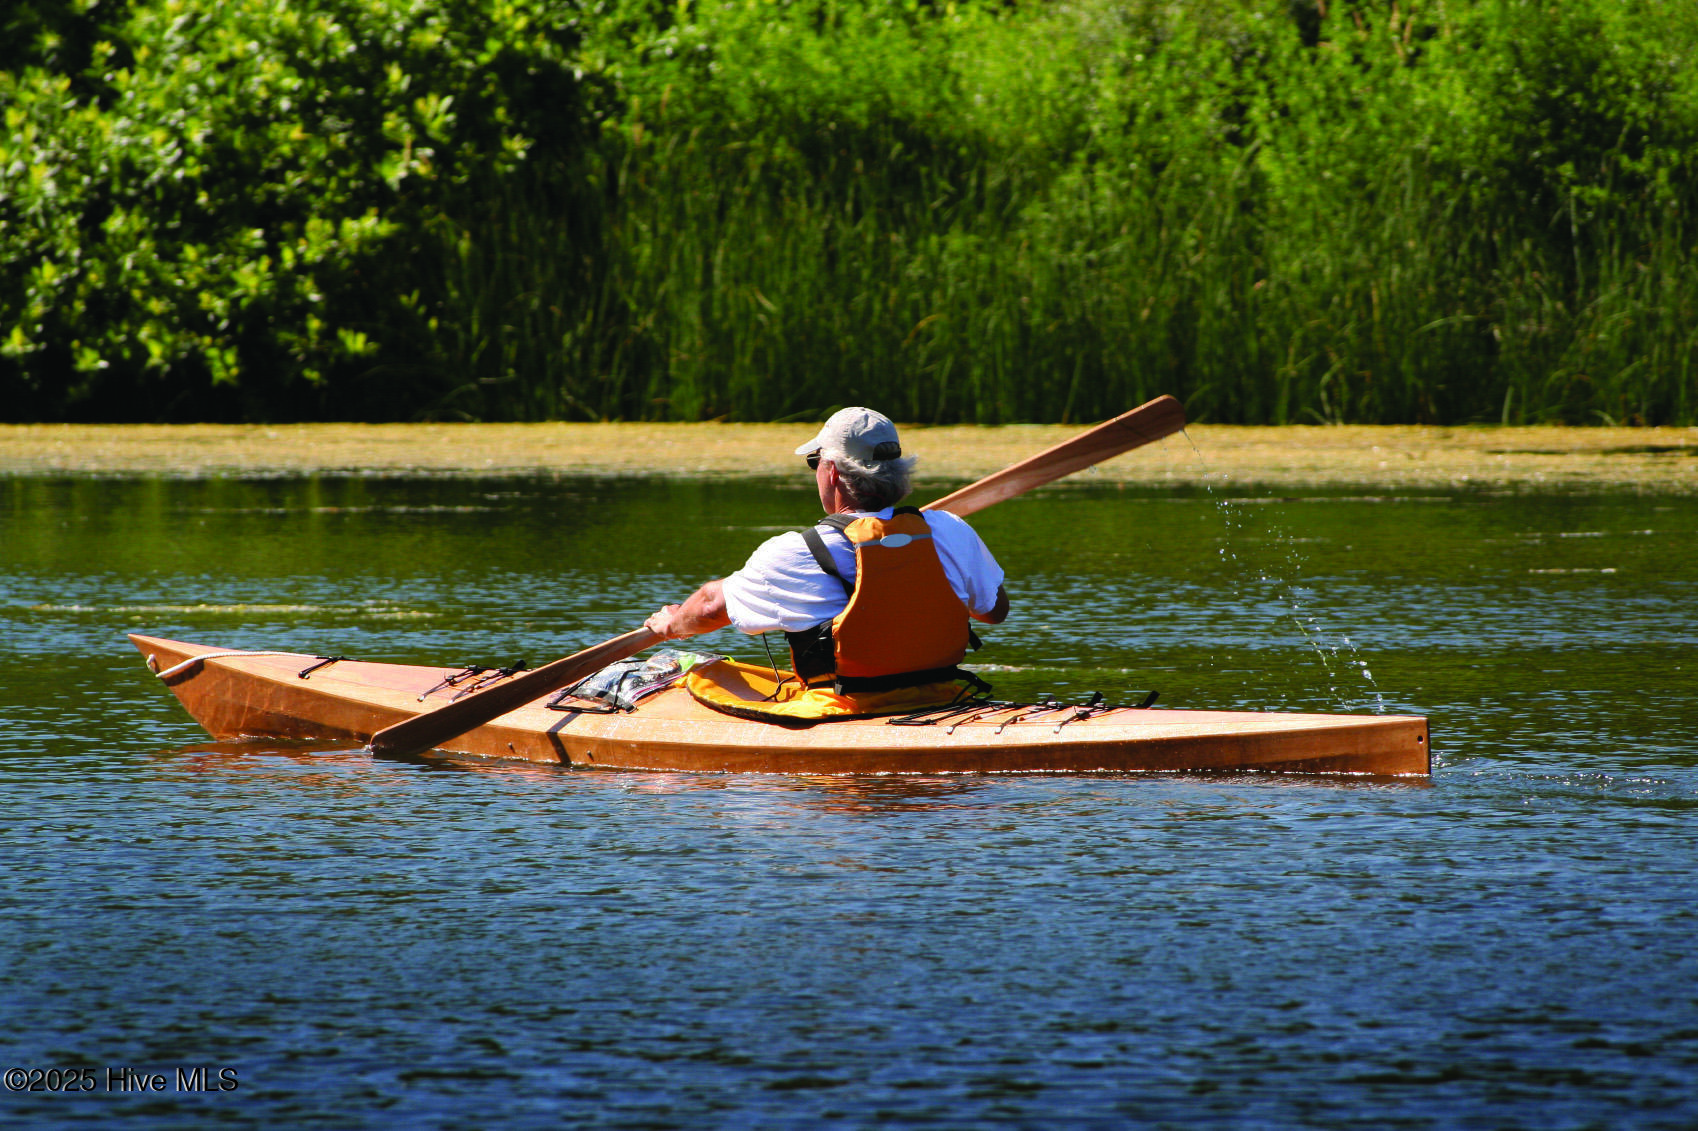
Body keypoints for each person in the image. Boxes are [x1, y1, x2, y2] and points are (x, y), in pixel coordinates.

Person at [645, 407, 1008, 710]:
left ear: (832, 470)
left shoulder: (797, 550)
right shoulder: (949, 529)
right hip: (943, 697)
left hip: (846, 708)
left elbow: (710, 607)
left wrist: (671, 625)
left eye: (814, 461)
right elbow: (994, 612)